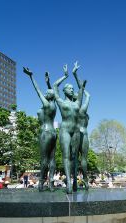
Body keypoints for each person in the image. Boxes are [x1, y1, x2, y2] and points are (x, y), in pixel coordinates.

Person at [24, 66, 66, 191]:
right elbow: (51, 90)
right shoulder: (53, 105)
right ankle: (51, 183)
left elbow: (37, 90)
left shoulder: (46, 104)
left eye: (47, 93)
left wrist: (31, 76)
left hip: (45, 132)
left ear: (48, 96)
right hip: (53, 133)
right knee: (52, 159)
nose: (46, 93)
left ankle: (41, 183)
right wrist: (48, 82)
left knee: (44, 159)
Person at [54, 62, 86, 193]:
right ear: (64, 91)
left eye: (72, 88)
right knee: (66, 156)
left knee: (75, 157)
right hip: (65, 130)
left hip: (76, 131)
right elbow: (55, 86)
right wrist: (65, 76)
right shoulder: (60, 101)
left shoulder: (77, 102)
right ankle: (68, 182)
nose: (72, 89)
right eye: (69, 88)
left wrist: (75, 73)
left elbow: (81, 88)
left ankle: (74, 182)